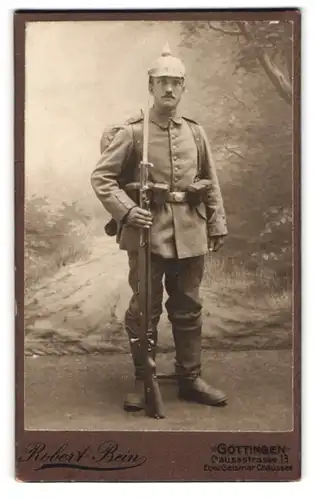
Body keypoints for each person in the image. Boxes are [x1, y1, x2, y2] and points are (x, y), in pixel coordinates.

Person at [91, 43, 228, 411]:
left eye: (176, 82)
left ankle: (190, 378)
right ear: (150, 86)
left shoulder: (196, 133)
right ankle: (143, 380)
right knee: (144, 310)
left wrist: (216, 223)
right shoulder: (134, 133)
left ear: (183, 88)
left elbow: (209, 180)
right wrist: (126, 211)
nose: (169, 89)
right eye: (162, 82)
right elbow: (103, 178)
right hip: (148, 233)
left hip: (191, 230)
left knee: (188, 307)